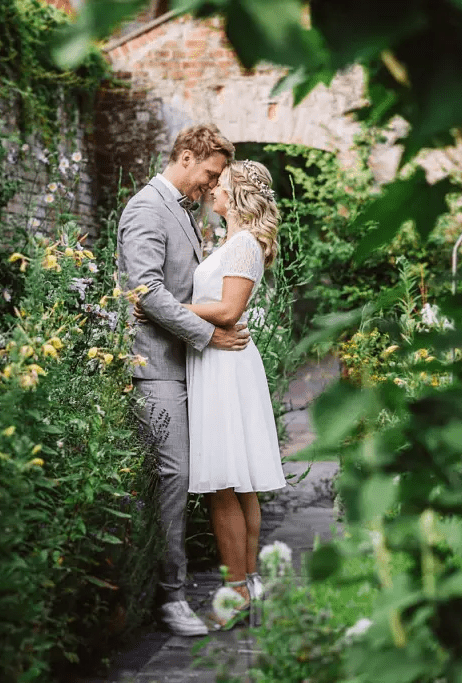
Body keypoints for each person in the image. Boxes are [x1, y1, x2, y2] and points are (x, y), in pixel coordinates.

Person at [117, 123, 250, 637]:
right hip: (156, 367)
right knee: (174, 475)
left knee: (188, 477)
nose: (211, 185)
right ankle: (170, 599)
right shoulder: (147, 209)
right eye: (210, 174)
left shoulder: (182, 210)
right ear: (187, 157)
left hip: (185, 365)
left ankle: (176, 586)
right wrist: (210, 335)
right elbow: (147, 292)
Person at [177, 159, 288, 629]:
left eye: (220, 185)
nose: (213, 190)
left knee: (224, 482)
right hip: (220, 361)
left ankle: (238, 590)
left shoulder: (243, 245)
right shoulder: (232, 242)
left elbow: (228, 310)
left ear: (237, 196)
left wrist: (169, 307)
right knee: (237, 482)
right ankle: (248, 582)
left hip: (224, 365)